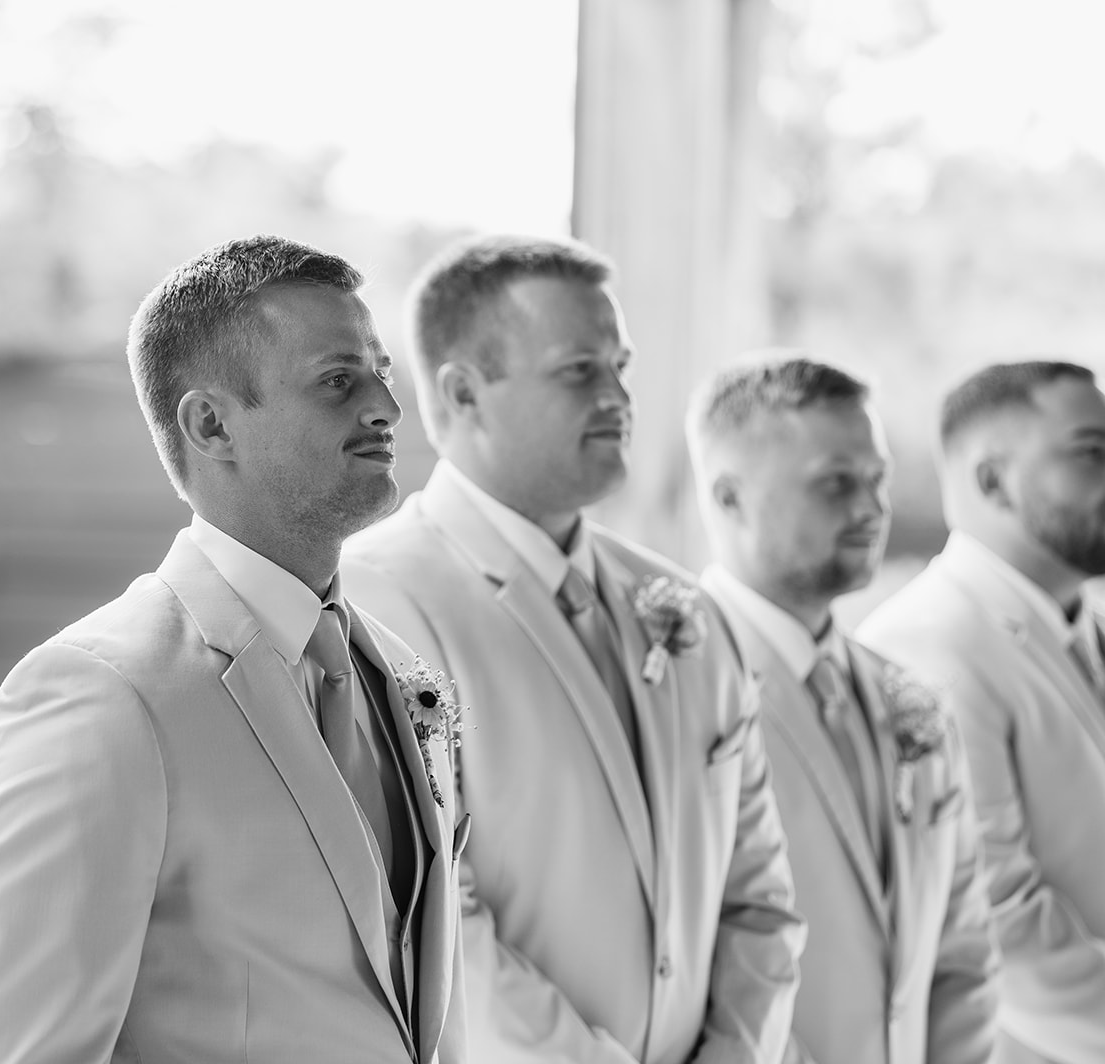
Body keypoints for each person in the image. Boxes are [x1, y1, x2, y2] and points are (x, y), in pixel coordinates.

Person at [0, 234, 468, 1063]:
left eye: (383, 374)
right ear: (211, 423)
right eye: (340, 381)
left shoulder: (399, 669)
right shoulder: (100, 695)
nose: (387, 410)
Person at [342, 234, 803, 1064]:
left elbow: (759, 890)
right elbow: (426, 915)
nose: (619, 395)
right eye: (579, 371)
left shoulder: (685, 607)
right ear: (464, 392)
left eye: (619, 366)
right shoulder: (377, 603)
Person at [688, 356, 998, 1063]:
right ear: (729, 496)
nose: (871, 508)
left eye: (877, 480)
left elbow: (962, 952)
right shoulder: (673, 688)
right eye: (835, 483)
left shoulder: (910, 695)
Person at [860, 361, 1105, 1064]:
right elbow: (994, 919)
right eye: (1092, 453)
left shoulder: (1080, 626)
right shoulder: (924, 648)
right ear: (992, 481)